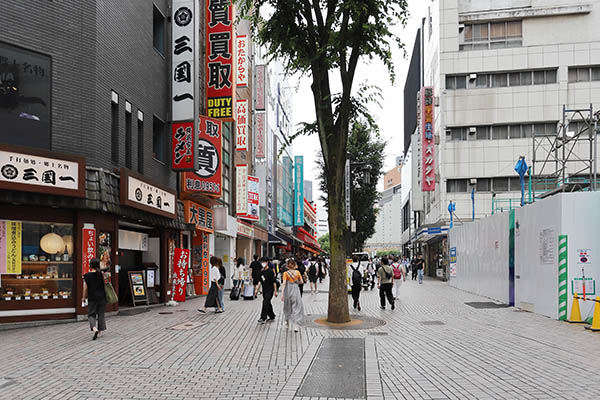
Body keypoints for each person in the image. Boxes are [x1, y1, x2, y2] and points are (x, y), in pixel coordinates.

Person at [83, 258, 106, 340]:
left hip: (92, 298)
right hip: (102, 297)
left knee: (91, 314)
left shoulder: (87, 276)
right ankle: (100, 331)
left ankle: (94, 328)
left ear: (90, 265)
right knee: (101, 314)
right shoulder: (101, 274)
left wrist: (83, 297)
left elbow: (85, 289)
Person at [280, 259, 305, 332]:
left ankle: (287, 322)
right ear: (294, 265)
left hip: (287, 290)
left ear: (287, 265)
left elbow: (284, 283)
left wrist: (282, 294)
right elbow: (302, 282)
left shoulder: (285, 273)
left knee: (287, 306)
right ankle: (295, 325)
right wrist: (296, 281)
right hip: (295, 290)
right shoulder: (297, 272)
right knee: (296, 307)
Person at [257, 257, 278, 324]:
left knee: (265, 302)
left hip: (270, 290)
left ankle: (263, 318)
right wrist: (256, 290)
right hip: (264, 290)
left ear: (267, 263)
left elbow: (274, 282)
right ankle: (272, 315)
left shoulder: (271, 271)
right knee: (267, 303)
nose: (262, 264)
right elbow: (260, 281)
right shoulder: (261, 272)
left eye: (264, 262)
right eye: (261, 262)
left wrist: (275, 291)